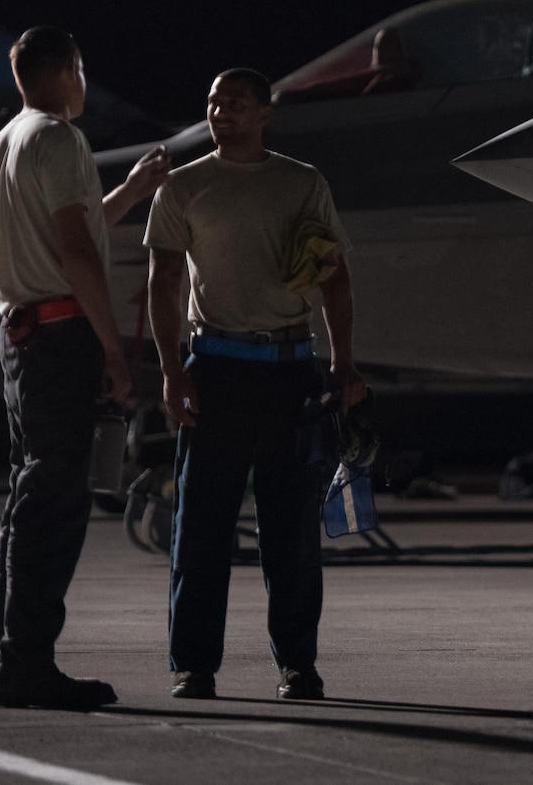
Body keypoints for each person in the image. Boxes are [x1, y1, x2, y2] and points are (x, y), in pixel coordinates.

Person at [145, 67, 366, 700]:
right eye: (214, 102)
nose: (221, 113)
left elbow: (335, 279)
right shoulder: (183, 188)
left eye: (236, 104)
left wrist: (343, 362)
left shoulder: (302, 183)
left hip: (290, 370)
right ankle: (193, 665)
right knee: (201, 527)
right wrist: (168, 371)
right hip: (213, 370)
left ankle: (298, 663)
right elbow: (163, 285)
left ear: (265, 113)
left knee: (291, 529)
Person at [0, 26, 170, 709]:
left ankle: (7, 659)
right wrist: (115, 352)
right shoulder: (60, 140)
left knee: (26, 502)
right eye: (83, 69)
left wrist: (129, 189)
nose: (85, 83)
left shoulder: (8, 141)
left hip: (21, 342)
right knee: (54, 507)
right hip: (62, 340)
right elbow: (77, 254)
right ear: (67, 70)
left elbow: (72, 227)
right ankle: (27, 666)